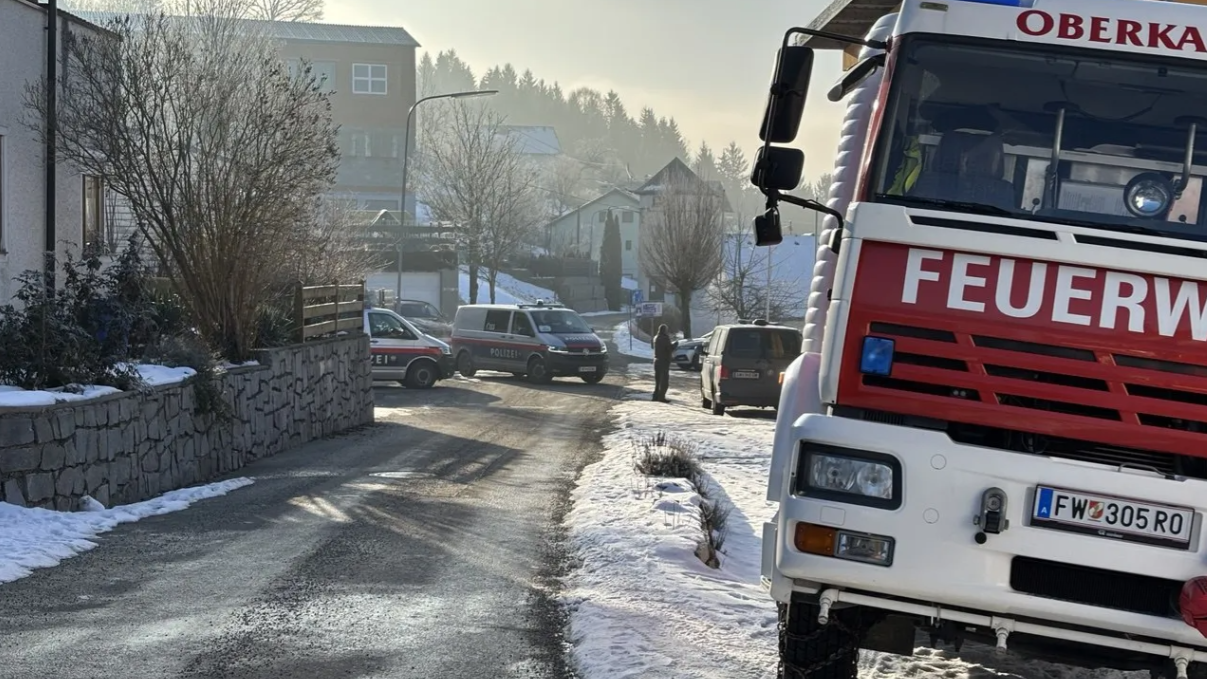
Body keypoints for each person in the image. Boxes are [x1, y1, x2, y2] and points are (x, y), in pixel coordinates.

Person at [652, 324, 673, 402]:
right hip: (664, 361)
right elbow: (669, 348)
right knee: (664, 381)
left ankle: (655, 396)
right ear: (665, 330)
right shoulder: (665, 338)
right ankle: (661, 397)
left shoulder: (656, 337)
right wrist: (675, 345)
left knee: (657, 380)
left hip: (656, 361)